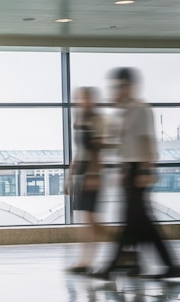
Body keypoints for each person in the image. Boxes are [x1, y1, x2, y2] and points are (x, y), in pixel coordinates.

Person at [91, 67, 180, 279]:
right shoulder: (126, 111)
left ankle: (114, 265)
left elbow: (147, 141)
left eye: (121, 86)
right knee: (134, 220)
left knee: (139, 219)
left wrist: (145, 169)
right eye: (116, 86)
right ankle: (136, 264)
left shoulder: (141, 109)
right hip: (129, 168)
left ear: (131, 86)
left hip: (139, 168)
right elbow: (124, 144)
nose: (117, 90)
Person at [65, 87, 111, 274]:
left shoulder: (98, 120)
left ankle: (123, 243)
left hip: (93, 174)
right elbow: (80, 153)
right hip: (83, 173)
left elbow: (97, 153)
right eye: (80, 99)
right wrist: (69, 177)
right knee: (88, 221)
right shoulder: (80, 121)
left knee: (92, 221)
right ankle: (85, 261)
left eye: (85, 99)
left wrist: (95, 176)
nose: (81, 102)